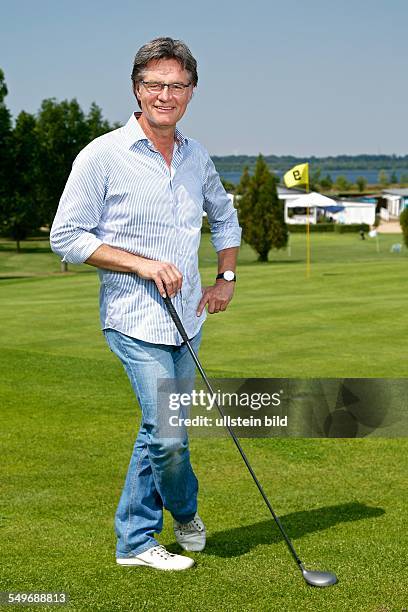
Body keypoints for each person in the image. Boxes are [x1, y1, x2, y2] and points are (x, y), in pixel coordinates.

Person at [50, 37, 241, 571]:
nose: (165, 94)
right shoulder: (102, 155)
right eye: (155, 84)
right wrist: (140, 263)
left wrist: (225, 278)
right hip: (133, 320)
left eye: (177, 85)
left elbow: (225, 219)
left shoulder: (195, 155)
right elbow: (66, 236)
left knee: (156, 431)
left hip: (189, 321)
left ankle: (135, 538)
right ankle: (181, 514)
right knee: (169, 433)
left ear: (192, 92)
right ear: (137, 89)